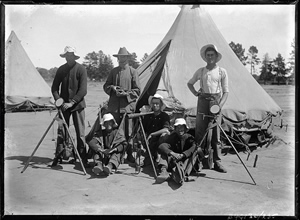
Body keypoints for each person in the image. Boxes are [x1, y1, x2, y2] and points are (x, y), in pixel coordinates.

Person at [187, 44, 229, 173]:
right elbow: (190, 83)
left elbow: (226, 92)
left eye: (212, 55)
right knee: (200, 133)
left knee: (216, 134)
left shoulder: (222, 71)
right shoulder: (200, 71)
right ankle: (198, 161)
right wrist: (195, 93)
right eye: (208, 55)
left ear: (216, 57)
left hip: (216, 103)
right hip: (202, 103)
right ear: (205, 57)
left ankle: (217, 162)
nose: (210, 57)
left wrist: (219, 106)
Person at [51, 46, 89, 166]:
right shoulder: (61, 69)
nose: (69, 57)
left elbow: (83, 90)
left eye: (71, 55)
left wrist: (72, 102)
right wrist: (59, 102)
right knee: (61, 132)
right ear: (65, 57)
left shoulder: (81, 69)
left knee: (80, 133)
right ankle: (59, 156)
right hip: (63, 107)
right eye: (67, 55)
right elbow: (55, 88)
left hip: (77, 105)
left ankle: (83, 158)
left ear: (74, 56)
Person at [103, 47, 141, 162]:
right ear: (117, 58)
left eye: (124, 57)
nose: (122, 59)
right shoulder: (113, 71)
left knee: (128, 132)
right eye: (120, 57)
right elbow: (106, 86)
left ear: (127, 58)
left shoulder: (133, 71)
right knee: (114, 131)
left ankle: (129, 154)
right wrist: (113, 88)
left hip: (127, 108)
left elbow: (137, 90)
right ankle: (116, 155)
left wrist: (126, 94)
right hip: (114, 107)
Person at [156, 118, 199, 184]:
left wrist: (183, 155)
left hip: (185, 162)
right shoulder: (172, 137)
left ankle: (183, 173)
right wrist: (173, 153)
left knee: (195, 154)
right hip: (174, 160)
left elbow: (194, 146)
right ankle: (163, 172)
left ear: (185, 128)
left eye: (182, 127)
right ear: (175, 129)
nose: (180, 130)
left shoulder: (189, 137)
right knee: (164, 152)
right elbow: (162, 146)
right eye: (178, 128)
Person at [138, 93, 170, 167]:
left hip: (159, 140)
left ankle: (159, 155)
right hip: (149, 141)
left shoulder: (164, 116)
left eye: (157, 103)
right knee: (145, 163)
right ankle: (150, 155)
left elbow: (165, 129)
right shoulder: (148, 116)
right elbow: (143, 129)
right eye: (153, 104)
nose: (155, 105)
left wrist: (153, 134)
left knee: (165, 135)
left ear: (161, 104)